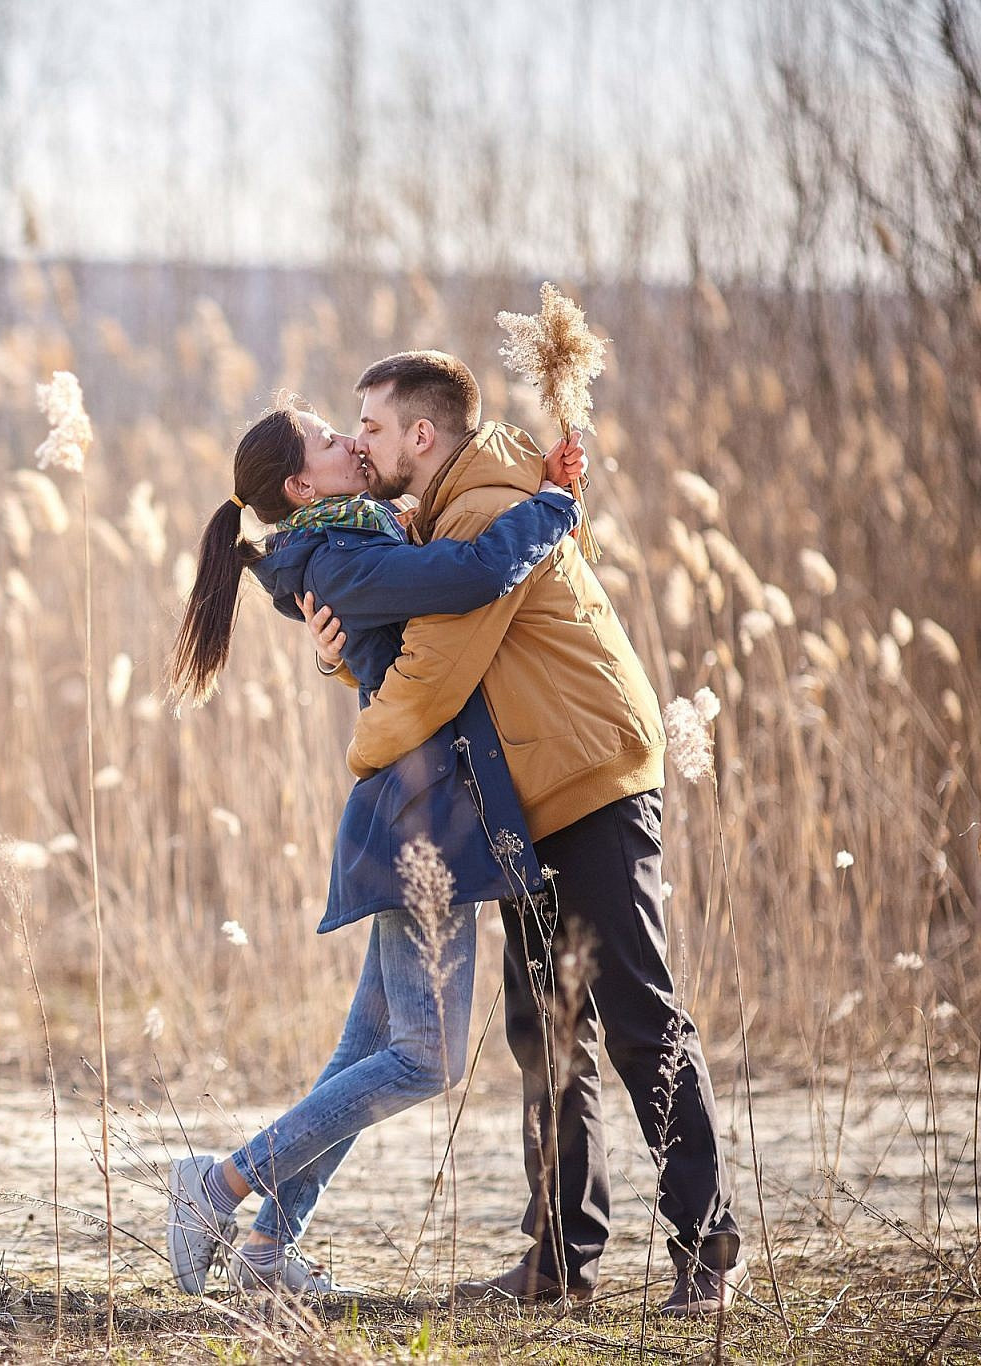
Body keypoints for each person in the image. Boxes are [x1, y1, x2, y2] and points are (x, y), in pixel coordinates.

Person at [302, 350, 741, 1316]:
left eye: (368, 427)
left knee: (635, 1013)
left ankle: (706, 1252)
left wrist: (359, 748)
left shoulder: (487, 511)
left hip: (587, 778)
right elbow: (409, 647)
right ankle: (559, 1261)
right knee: (544, 1027)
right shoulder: (450, 508)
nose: (359, 443)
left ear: (422, 434)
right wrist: (340, 662)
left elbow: (429, 679)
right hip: (531, 794)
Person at [159, 394, 586, 1299]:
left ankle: (270, 1250)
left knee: (366, 1051)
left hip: (423, 812)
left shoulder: (349, 540)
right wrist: (552, 505)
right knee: (426, 1058)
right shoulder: (342, 554)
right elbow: (469, 578)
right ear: (298, 483)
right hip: (418, 822)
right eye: (327, 437)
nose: (350, 441)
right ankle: (221, 1182)